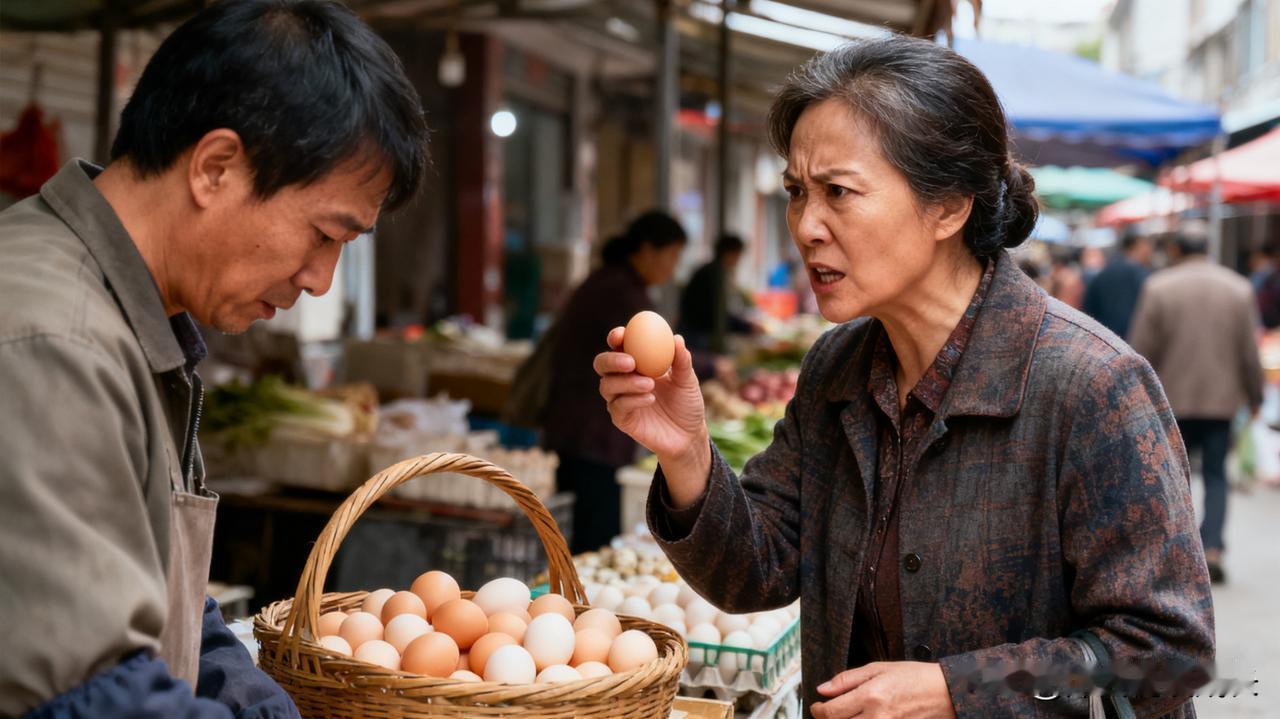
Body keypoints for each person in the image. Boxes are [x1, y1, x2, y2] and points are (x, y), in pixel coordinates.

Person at [596, 36, 1212, 718]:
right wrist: (685, 451)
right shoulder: (837, 367)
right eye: (797, 192)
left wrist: (959, 690)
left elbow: (1165, 653)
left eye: (838, 192)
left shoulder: (1092, 386)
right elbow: (758, 570)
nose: (806, 225)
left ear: (949, 205)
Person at [0, 1, 429, 716]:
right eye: (326, 234)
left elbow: (175, 609)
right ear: (216, 166)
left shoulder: (132, 319)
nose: (320, 279)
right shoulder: (55, 341)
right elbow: (92, 696)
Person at [542, 210, 688, 553]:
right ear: (647, 250)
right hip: (591, 435)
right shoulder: (622, 294)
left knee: (585, 532)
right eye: (672, 256)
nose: (673, 267)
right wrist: (706, 367)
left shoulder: (611, 282)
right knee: (591, 538)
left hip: (582, 429)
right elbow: (659, 356)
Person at [1129, 228, 1264, 584]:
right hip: (1222, 401)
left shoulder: (1159, 287)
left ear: (1175, 249)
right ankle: (1214, 547)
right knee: (1218, 475)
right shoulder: (1238, 288)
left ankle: (1179, 552)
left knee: (1174, 478)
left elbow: (1140, 350)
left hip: (1170, 401)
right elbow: (1250, 354)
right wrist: (1255, 397)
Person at [678, 233, 755, 352]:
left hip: (694, 331)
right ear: (729, 253)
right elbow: (718, 316)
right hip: (698, 335)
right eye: (738, 255)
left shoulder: (710, 269)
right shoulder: (715, 273)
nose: (738, 260)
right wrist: (747, 327)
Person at [1082, 228, 1153, 340]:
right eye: (1147, 245)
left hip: (1105, 339)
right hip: (1133, 340)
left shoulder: (1104, 272)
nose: (1150, 250)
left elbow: (1089, 307)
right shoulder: (1141, 274)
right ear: (1135, 245)